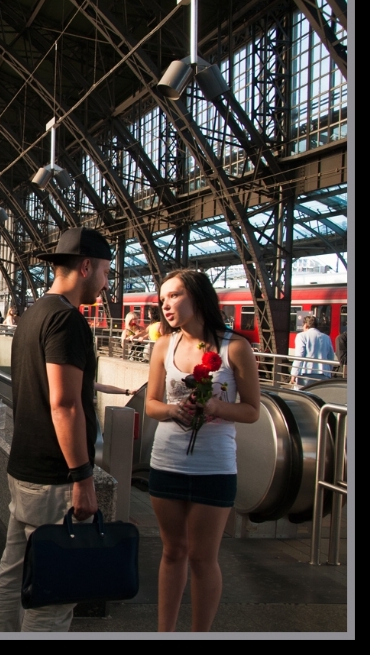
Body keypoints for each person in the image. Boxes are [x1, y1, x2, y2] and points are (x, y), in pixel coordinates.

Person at [0, 227, 111, 632]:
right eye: (105, 272)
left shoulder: (33, 314)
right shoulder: (66, 320)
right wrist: (82, 476)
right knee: (53, 597)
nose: (106, 284)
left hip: (25, 467)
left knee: (13, 573)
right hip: (56, 479)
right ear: (86, 266)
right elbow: (65, 404)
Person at [145, 269, 260, 632]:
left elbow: (252, 411)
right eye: (162, 299)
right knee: (172, 551)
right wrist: (174, 410)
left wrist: (215, 407)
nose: (166, 305)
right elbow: (151, 404)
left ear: (197, 296)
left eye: (174, 295)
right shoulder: (163, 346)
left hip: (215, 466)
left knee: (201, 557)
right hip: (166, 461)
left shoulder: (234, 347)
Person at [290, 315, 336, 388]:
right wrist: (328, 371)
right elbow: (331, 357)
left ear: (306, 325)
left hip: (306, 373)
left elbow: (299, 356)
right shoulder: (326, 337)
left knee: (303, 394)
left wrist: (294, 374)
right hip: (324, 373)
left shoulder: (301, 336)